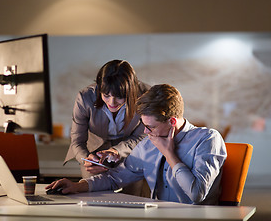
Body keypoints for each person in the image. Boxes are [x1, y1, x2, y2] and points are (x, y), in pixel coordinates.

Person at [50, 84, 227, 205]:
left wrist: (169, 154)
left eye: (151, 127)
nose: (146, 132)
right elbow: (114, 178)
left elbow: (196, 194)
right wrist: (77, 186)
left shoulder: (207, 139)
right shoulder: (148, 144)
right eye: (144, 126)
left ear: (172, 121)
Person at [63, 60, 150, 195]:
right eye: (106, 95)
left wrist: (117, 151)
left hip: (131, 152)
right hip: (94, 152)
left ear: (131, 91)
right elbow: (77, 141)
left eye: (120, 97)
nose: (112, 102)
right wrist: (86, 159)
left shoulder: (146, 95)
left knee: (133, 199)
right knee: (93, 196)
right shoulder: (85, 98)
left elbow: (141, 136)